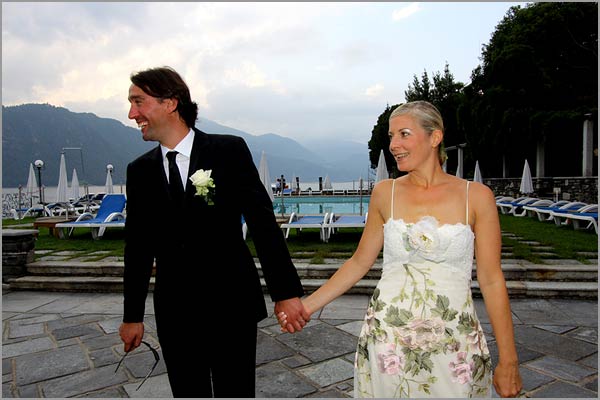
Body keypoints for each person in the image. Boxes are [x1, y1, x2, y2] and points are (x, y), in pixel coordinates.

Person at [278, 101, 522, 398]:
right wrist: (305, 307)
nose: (394, 145)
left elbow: (492, 279)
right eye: (391, 136)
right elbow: (358, 263)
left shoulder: (477, 197)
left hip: (454, 341)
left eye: (404, 134)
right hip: (388, 338)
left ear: (435, 137)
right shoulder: (385, 193)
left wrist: (508, 361)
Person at [119, 66, 309, 397]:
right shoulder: (139, 171)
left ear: (170, 102)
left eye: (139, 101)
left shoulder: (228, 151)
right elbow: (137, 247)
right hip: (174, 311)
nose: (132, 113)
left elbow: (263, 224)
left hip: (230, 304)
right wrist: (132, 315)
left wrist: (285, 292)